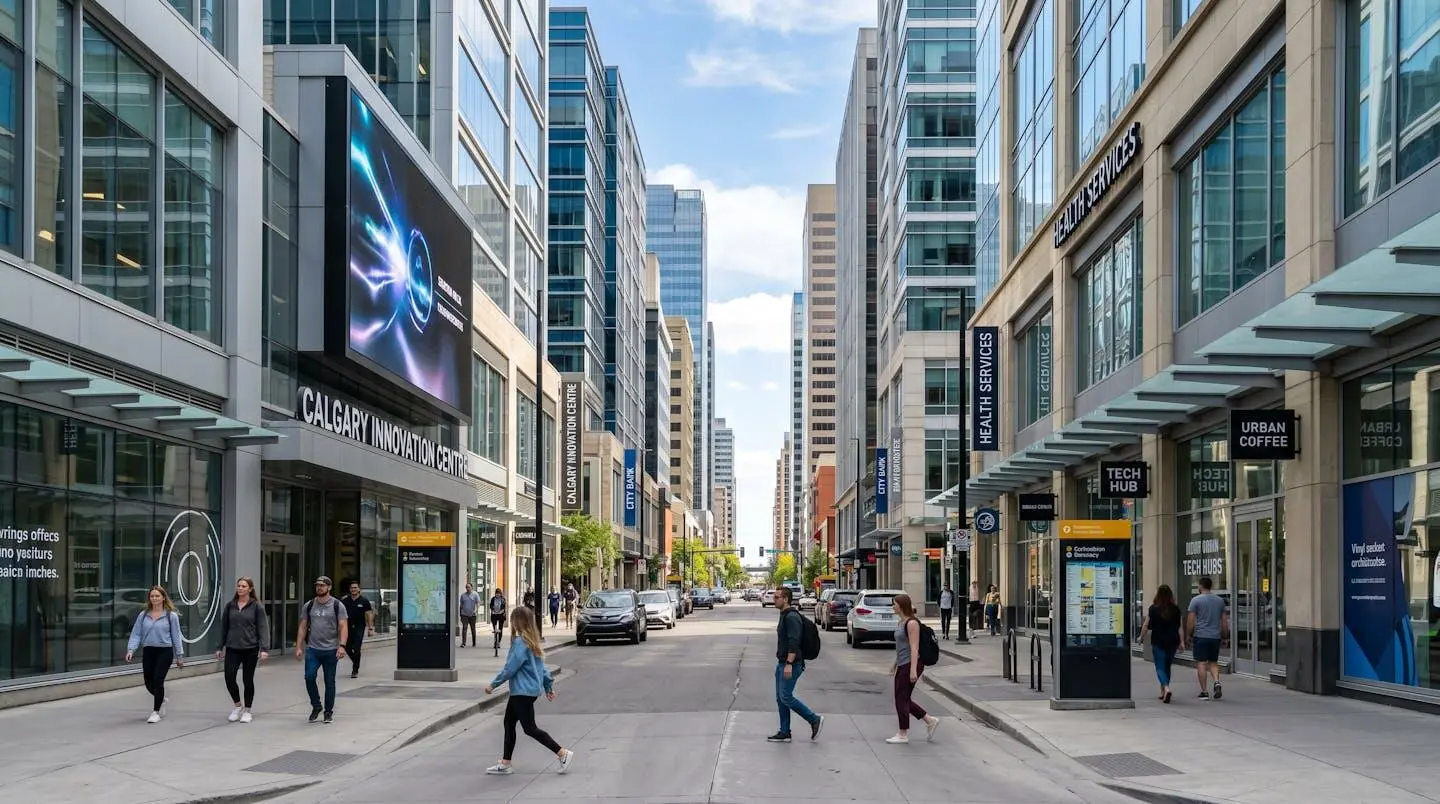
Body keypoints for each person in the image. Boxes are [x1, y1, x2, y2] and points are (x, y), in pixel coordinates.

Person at [483, 606, 575, 775]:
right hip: (527, 692)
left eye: (512, 620)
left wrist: (493, 684)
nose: (510, 623)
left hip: (521, 692)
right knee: (509, 723)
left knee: (530, 728)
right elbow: (544, 669)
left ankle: (562, 753)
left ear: (517, 622)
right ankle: (506, 762)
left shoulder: (520, 643)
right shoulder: (532, 642)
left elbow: (510, 668)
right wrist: (548, 687)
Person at [768, 587, 822, 743]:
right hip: (783, 662)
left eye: (777, 597)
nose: (774, 599)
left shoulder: (791, 617)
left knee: (786, 696)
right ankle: (785, 731)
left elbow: (794, 641)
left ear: (785, 599)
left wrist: (789, 663)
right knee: (780, 698)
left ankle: (814, 719)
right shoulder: (784, 615)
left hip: (792, 663)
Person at [125, 586, 185, 723]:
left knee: (158, 680)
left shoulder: (171, 616)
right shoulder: (143, 614)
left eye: (157, 596)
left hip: (165, 651)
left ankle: (155, 712)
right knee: (148, 682)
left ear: (163, 598)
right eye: (152, 596)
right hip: (149, 650)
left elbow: (176, 636)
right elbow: (136, 633)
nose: (154, 598)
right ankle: (161, 697)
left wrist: (179, 656)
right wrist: (130, 650)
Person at [887, 593, 940, 744]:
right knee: (903, 698)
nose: (893, 606)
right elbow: (901, 647)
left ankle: (903, 734)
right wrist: (895, 663)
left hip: (912, 664)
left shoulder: (912, 623)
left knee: (901, 699)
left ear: (902, 606)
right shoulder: (901, 623)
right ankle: (929, 720)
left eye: (895, 604)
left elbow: (914, 647)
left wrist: (912, 670)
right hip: (903, 663)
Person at [296, 576, 349, 724]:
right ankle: (316, 706)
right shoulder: (310, 605)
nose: (319, 587)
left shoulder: (337, 605)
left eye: (322, 585)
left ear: (329, 587)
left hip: (331, 650)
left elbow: (343, 626)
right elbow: (303, 626)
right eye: (317, 585)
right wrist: (299, 646)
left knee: (329, 681)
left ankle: (328, 712)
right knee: (309, 677)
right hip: (313, 649)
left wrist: (342, 646)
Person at [217, 577, 270, 723]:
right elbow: (224, 627)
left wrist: (264, 648)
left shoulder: (256, 606)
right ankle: (237, 706)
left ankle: (247, 710)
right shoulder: (230, 606)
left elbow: (263, 628)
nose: (240, 588)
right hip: (232, 647)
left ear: (250, 589)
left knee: (248, 679)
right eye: (238, 586)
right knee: (229, 677)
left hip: (250, 648)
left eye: (243, 586)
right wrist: (219, 646)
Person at [1186, 576, 1229, 701]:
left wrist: (1188, 635)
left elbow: (1191, 619)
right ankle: (1216, 682)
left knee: (1201, 662)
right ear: (1210, 586)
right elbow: (1224, 621)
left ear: (1200, 586)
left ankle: (1204, 691)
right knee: (1213, 662)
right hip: (1215, 637)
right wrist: (1225, 636)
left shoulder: (1195, 600)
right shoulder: (1219, 601)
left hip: (1201, 635)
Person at [1139, 584, 1182, 704]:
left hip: (1158, 641)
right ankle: (1163, 691)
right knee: (1167, 666)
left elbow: (1146, 625)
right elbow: (1180, 627)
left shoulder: (1153, 609)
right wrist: (1182, 641)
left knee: (1159, 667)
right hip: (1173, 641)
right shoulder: (1176, 609)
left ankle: (1166, 688)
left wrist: (1141, 637)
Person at [340, 582, 374, 679]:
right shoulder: (345, 601)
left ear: (359, 589)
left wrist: (370, 628)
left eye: (355, 588)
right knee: (347, 647)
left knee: (356, 648)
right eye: (351, 588)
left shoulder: (364, 601)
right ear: (349, 589)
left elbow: (369, 614)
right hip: (347, 626)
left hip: (359, 626)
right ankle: (356, 661)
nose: (353, 589)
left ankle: (355, 670)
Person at [459, 583, 482, 648]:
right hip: (464, 614)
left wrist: (476, 610)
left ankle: (474, 642)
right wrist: (460, 613)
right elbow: (461, 605)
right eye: (466, 587)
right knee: (464, 628)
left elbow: (478, 603)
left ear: (472, 587)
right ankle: (463, 643)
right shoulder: (463, 595)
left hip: (472, 614)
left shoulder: (475, 594)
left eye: (469, 587)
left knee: (473, 628)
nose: (467, 588)